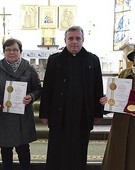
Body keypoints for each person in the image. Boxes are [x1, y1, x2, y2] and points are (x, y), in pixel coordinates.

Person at [39, 25, 104, 170]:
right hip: (60, 112)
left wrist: (98, 112)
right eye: (71, 38)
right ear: (65, 40)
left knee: (80, 148)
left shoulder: (92, 60)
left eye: (78, 38)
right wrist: (44, 112)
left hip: (83, 112)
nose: (74, 42)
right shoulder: (54, 60)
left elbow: (98, 88)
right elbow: (48, 88)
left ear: (83, 40)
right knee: (58, 147)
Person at [0, 38, 42, 170]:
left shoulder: (29, 69)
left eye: (15, 49)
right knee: (5, 149)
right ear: (4, 52)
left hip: (22, 115)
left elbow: (38, 89)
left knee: (23, 148)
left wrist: (31, 96)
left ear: (20, 51)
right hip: (3, 115)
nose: (11, 52)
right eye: (8, 50)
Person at [101, 49, 135, 170]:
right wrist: (107, 102)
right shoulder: (124, 74)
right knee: (117, 155)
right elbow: (115, 98)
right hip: (121, 121)